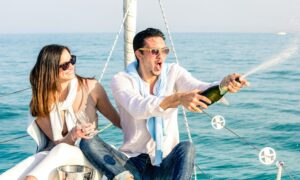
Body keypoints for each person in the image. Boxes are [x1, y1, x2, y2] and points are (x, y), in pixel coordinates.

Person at [80, 28, 249, 179]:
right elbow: (138, 107)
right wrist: (176, 99)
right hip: (132, 162)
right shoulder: (121, 80)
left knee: (186, 147)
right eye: (154, 51)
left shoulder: (174, 72)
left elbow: (200, 89)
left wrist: (224, 85)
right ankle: (124, 178)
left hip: (165, 163)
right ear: (139, 54)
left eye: (164, 51)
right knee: (87, 141)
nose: (161, 56)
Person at [0, 44, 122, 180]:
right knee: (25, 166)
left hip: (89, 155)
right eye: (64, 65)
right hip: (55, 155)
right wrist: (73, 135)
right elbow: (57, 143)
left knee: (60, 151)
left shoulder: (91, 88)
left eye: (72, 60)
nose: (71, 66)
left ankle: (32, 178)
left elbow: (119, 121)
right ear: (50, 70)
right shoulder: (41, 102)